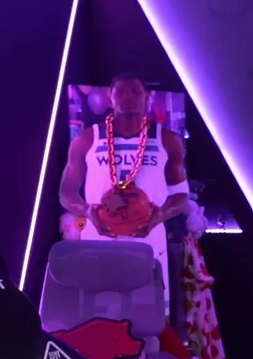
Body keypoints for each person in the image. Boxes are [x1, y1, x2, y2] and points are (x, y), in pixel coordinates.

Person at [59, 73, 190, 309]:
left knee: (149, 317)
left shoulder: (168, 140)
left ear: (147, 97)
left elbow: (181, 194)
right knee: (99, 317)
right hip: (99, 242)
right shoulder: (87, 139)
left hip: (148, 242)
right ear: (110, 98)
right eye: (120, 92)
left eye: (135, 91)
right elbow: (66, 191)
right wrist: (88, 212)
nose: (128, 97)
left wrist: (160, 215)